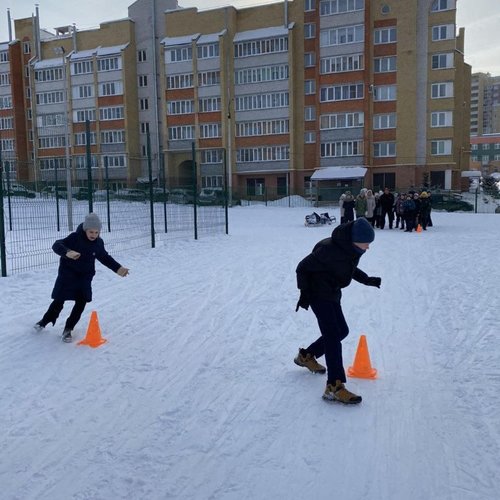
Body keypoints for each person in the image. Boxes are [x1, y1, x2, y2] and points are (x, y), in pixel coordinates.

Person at [294, 218, 381, 404]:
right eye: (366, 243)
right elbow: (302, 267)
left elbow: (349, 268)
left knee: (341, 331)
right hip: (317, 293)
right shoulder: (329, 250)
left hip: (332, 292)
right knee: (333, 335)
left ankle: (306, 356)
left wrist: (367, 280)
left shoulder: (351, 249)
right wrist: (304, 293)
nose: (368, 248)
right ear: (355, 239)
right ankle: (334, 386)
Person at [35, 213, 129, 342]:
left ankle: (68, 329)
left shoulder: (98, 243)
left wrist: (118, 268)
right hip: (67, 275)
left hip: (84, 277)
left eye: (97, 232)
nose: (94, 235)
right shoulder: (74, 238)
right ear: (85, 229)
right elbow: (57, 245)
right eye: (91, 232)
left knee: (81, 302)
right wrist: (67, 252)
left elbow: (105, 257)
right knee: (58, 301)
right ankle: (44, 321)